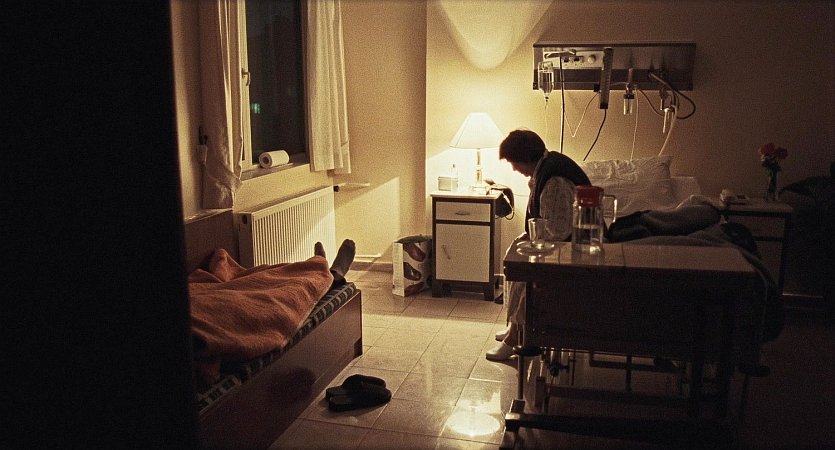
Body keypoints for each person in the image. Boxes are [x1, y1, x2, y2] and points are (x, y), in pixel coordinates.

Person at [486, 129, 591, 361]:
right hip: (562, 240)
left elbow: (558, 231)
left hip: (573, 247)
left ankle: (515, 337)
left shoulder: (554, 180)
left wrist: (531, 243)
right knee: (514, 253)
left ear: (526, 157)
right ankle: (516, 325)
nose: (514, 169)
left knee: (526, 269)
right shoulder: (547, 166)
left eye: (514, 163)